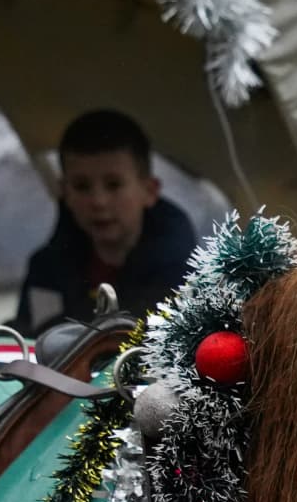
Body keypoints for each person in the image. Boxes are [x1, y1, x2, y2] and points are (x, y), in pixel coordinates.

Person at [11, 109, 196, 334]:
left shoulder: (185, 271)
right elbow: (34, 334)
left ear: (149, 191)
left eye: (113, 185)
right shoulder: (46, 270)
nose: (98, 202)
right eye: (82, 186)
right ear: (65, 193)